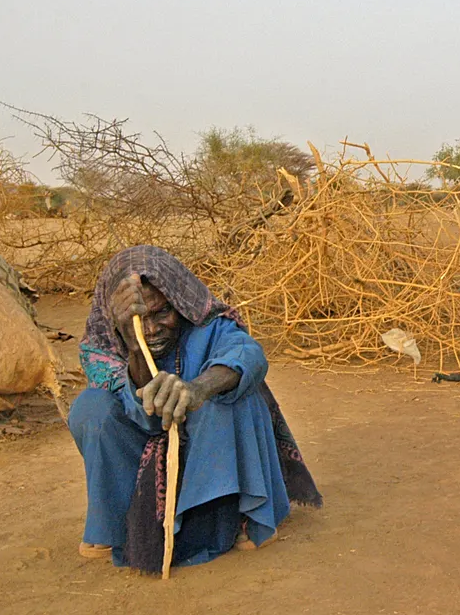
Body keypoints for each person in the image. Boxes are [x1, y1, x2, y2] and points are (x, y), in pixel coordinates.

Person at [68, 245, 321, 571]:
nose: (152, 329)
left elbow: (248, 354)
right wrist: (133, 346)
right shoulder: (103, 349)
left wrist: (197, 389)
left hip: (211, 456)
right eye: (138, 321)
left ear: (179, 302)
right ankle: (118, 526)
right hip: (141, 451)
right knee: (90, 409)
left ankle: (240, 516)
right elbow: (139, 414)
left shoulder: (208, 327)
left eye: (162, 313)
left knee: (239, 394)